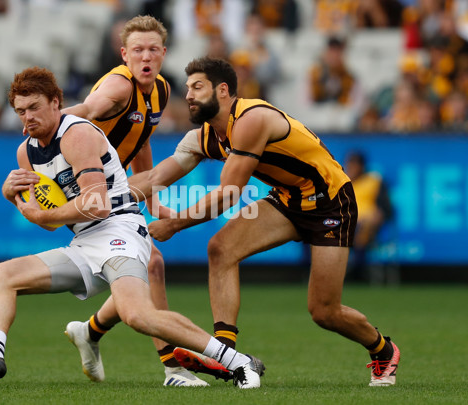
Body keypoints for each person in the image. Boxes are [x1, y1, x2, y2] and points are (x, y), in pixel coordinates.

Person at [0, 66, 264, 389]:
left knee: (137, 315)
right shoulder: (26, 151)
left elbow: (97, 204)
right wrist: (14, 198)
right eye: (21, 111)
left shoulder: (77, 134)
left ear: (56, 102)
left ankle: (237, 362)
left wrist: (39, 216)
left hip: (120, 231)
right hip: (85, 242)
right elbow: (50, 219)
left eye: (34, 107)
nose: (28, 118)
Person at [127, 57, 401, 387]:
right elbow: (156, 176)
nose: (188, 95)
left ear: (223, 90)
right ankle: (226, 352)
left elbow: (229, 194)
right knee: (221, 248)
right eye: (187, 89)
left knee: (324, 311)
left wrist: (174, 224)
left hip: (331, 202)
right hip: (289, 198)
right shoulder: (204, 136)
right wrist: (100, 199)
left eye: (197, 87)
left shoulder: (251, 119)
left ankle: (383, 350)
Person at [53, 15, 206, 387]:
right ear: (124, 54)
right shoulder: (119, 88)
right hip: (83, 187)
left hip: (115, 186)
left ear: (164, 52)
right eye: (137, 50)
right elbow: (86, 111)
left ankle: (90, 331)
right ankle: (174, 369)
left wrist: (152, 199)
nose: (146, 56)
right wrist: (38, 126)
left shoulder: (162, 90)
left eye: (153, 49)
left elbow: (142, 139)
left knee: (145, 268)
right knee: (151, 263)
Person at [345, 151, 394, 281]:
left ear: (361, 166)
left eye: (354, 165)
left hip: (367, 224)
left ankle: (358, 271)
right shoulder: (342, 182)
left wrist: (378, 215)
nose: (351, 168)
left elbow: (387, 209)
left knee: (364, 227)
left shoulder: (374, 182)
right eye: (349, 164)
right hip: (345, 222)